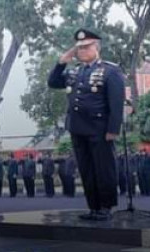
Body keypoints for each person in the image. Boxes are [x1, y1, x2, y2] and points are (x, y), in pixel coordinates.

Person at [48, 28, 124, 221]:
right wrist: (62, 61)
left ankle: (106, 207)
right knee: (86, 170)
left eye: (86, 47)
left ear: (96, 47)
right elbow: (53, 82)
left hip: (100, 129)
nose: (81, 51)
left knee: (103, 168)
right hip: (77, 128)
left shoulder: (109, 70)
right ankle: (94, 207)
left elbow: (116, 103)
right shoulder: (75, 71)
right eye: (79, 48)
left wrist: (113, 129)